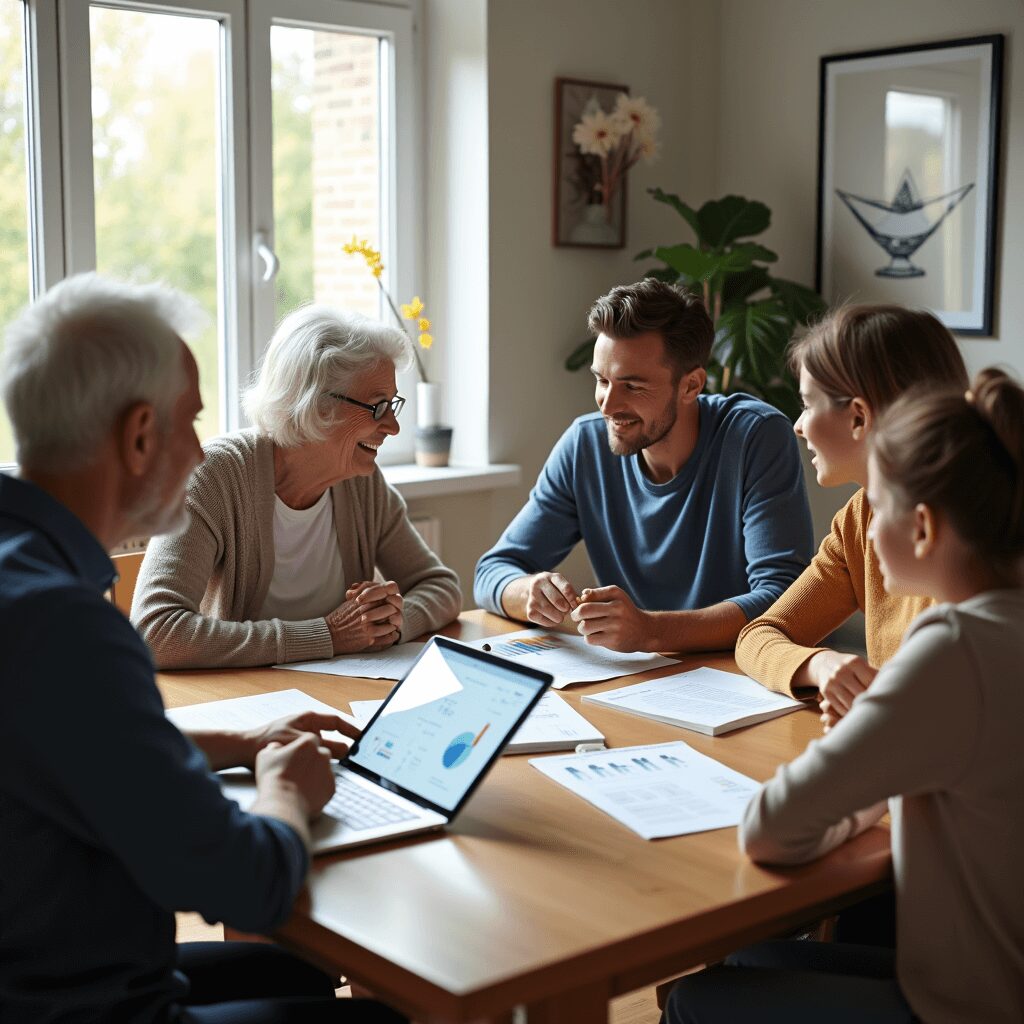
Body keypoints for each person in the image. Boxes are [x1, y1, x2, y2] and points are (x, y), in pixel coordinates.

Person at [0, 274, 404, 1023]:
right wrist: (287, 790)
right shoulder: (63, 625)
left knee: (287, 974)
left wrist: (238, 739)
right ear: (140, 435)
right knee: (385, 1014)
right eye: (189, 425)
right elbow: (249, 884)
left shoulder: (21, 573)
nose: (198, 454)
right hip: (83, 1005)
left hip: (43, 967)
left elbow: (58, 743)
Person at [662, 368, 1024, 1024]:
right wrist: (884, 757)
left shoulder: (951, 647)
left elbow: (770, 830)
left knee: (694, 1000)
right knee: (752, 960)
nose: (863, 524)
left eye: (877, 506)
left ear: (920, 528)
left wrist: (861, 752)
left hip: (970, 1007)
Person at [474, 278, 813, 654]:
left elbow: (785, 599)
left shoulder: (754, 436)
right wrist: (528, 592)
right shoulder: (584, 445)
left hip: (742, 676)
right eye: (602, 380)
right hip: (638, 680)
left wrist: (651, 631)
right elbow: (493, 570)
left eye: (632, 386)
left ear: (691, 385)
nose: (607, 404)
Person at [132, 304, 461, 670]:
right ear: (317, 404)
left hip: (336, 693)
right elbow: (155, 632)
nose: (393, 427)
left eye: (392, 404)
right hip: (244, 702)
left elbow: (441, 586)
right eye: (377, 406)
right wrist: (328, 636)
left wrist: (389, 623)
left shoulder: (362, 483)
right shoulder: (215, 478)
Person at [735, 305, 968, 727]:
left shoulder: (976, 528)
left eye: (807, 405)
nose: (798, 426)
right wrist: (820, 666)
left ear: (859, 416)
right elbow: (758, 636)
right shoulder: (859, 516)